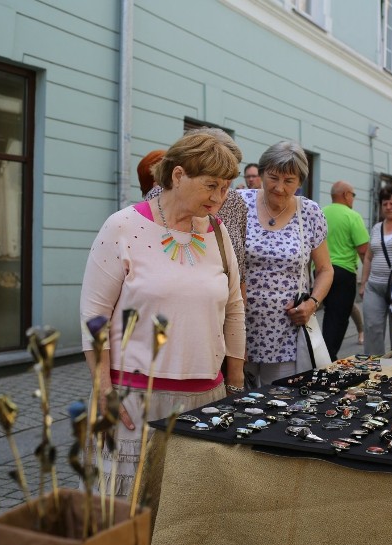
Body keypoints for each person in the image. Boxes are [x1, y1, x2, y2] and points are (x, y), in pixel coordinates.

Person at [80, 131, 246, 497]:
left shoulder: (218, 232)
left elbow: (234, 309)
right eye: (211, 186)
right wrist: (104, 391)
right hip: (134, 401)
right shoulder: (123, 226)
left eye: (226, 188)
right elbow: (94, 318)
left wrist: (234, 386)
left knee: (177, 516)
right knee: (119, 512)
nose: (219, 198)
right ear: (178, 176)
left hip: (206, 399)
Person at [240, 141, 333, 385]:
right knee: (237, 409)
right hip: (238, 331)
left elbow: (325, 270)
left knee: (283, 406)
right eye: (273, 177)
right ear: (261, 174)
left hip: (287, 335)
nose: (279, 187)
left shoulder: (310, 213)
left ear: (300, 182)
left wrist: (312, 303)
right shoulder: (238, 204)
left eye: (289, 180)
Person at [144, 128, 249, 286]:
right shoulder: (159, 197)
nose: (226, 177)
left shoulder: (235, 202)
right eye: (219, 167)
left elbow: (239, 271)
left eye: (231, 168)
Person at [322, 181, 369, 359]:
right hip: (344, 272)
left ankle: (323, 354)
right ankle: (328, 358)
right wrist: (366, 280)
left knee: (328, 314)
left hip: (320, 271)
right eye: (353, 195)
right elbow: (364, 250)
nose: (353, 199)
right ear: (346, 195)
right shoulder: (352, 216)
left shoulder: (321, 212)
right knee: (339, 317)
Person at [359, 185, 392, 355]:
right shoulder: (376, 228)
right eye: (385, 203)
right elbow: (368, 257)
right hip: (374, 287)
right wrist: (363, 283)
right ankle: (373, 369)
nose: (388, 207)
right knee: (372, 329)